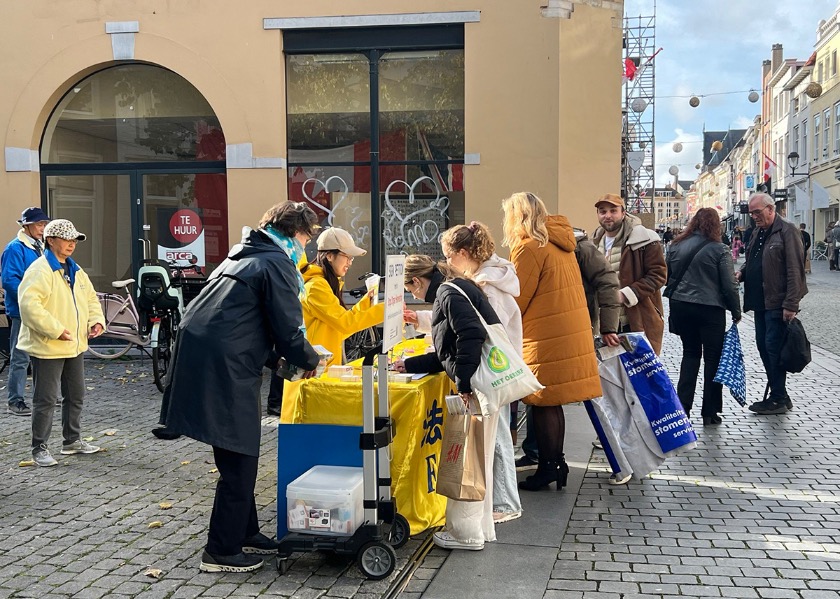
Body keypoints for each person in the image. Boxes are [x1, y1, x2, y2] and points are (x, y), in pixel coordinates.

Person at [159, 202, 323, 573]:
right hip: (225, 366)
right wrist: (311, 360)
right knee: (240, 458)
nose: (306, 247)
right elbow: (286, 327)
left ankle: (245, 531)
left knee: (237, 451)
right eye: (305, 238)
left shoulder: (245, 254)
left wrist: (279, 363)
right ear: (292, 233)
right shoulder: (275, 262)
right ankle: (221, 550)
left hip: (214, 357)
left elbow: (245, 319)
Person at [394, 254, 501, 551]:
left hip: (476, 384)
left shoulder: (447, 293)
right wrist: (412, 364)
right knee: (477, 457)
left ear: (417, 281)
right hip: (483, 382)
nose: (414, 296)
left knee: (466, 458)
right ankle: (478, 528)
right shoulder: (457, 286)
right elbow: (449, 350)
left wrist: (464, 382)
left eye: (411, 290)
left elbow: (470, 336)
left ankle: (465, 533)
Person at [501, 192, 601, 492]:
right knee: (551, 403)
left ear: (517, 216)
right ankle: (556, 464)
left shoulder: (528, 248)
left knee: (543, 403)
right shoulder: (561, 243)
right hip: (566, 331)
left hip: (545, 336)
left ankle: (548, 468)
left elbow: (517, 299)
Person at [517, 227, 621, 474]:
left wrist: (608, 327)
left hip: (569, 330)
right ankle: (542, 455)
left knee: (546, 397)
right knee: (545, 398)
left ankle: (547, 460)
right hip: (559, 329)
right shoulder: (554, 246)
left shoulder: (579, 247)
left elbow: (608, 281)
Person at [438, 221, 523, 524]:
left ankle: (505, 502)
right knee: (498, 433)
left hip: (492, 371)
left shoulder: (487, 285)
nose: (447, 263)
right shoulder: (493, 277)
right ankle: (503, 499)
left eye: (448, 256)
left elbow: (480, 331)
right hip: (499, 368)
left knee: (497, 437)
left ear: (463, 252)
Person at [16, 219, 105, 467]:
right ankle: (39, 448)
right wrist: (56, 330)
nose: (71, 244)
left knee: (76, 394)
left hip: (73, 344)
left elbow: (90, 299)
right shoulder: (39, 270)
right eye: (66, 239)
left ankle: (72, 441)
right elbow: (29, 307)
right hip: (48, 345)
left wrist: (96, 321)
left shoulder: (76, 270)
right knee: (45, 399)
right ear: (51, 240)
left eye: (74, 239)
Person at [665, 208, 741, 425]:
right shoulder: (720, 249)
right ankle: (709, 411)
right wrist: (736, 311)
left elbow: (668, 276)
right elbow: (729, 285)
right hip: (710, 309)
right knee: (713, 359)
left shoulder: (675, 246)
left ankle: (683, 408)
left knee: (689, 355)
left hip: (681, 306)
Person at [735, 193, 807, 415]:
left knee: (773, 349)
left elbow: (795, 269)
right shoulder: (759, 231)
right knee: (764, 348)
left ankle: (777, 398)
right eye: (751, 213)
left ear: (770, 208)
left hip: (777, 302)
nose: (754, 216)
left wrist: (791, 304)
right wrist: (743, 273)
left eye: (757, 212)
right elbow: (755, 260)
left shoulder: (787, 230)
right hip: (760, 302)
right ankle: (781, 395)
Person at [591, 193, 667, 354]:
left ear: (623, 213)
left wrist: (625, 295)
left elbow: (658, 275)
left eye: (613, 211)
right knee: (608, 376)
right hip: (604, 323)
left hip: (636, 319)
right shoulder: (594, 243)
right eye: (603, 212)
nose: (608, 216)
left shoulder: (644, 240)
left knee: (638, 375)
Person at [299, 227, 384, 367]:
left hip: (319, 368)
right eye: (347, 257)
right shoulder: (316, 287)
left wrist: (365, 305)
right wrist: (386, 310)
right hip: (312, 372)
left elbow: (340, 325)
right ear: (329, 256)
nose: (350, 263)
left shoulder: (324, 283)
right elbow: (345, 324)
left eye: (352, 258)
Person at [1, 207, 51, 416]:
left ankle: (43, 397)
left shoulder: (40, 246)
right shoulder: (15, 248)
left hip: (41, 310)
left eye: (44, 224)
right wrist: (30, 301)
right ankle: (15, 401)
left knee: (42, 356)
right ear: (26, 226)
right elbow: (9, 280)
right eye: (39, 224)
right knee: (20, 357)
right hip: (23, 311)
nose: (43, 228)